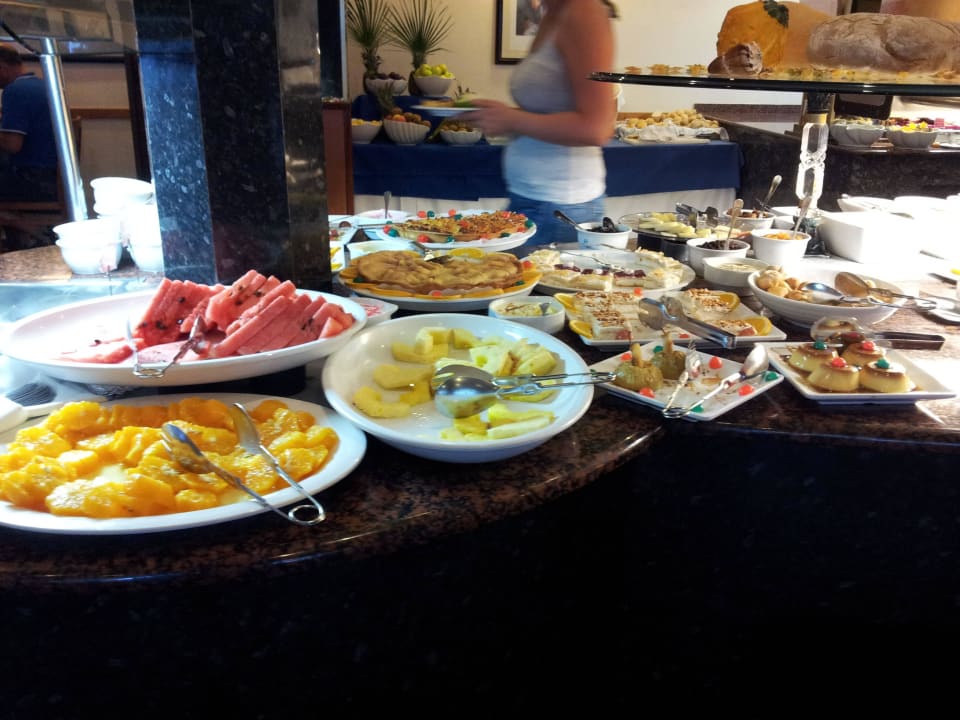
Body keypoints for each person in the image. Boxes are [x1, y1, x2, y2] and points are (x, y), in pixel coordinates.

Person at [465, 0, 618, 247]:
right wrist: (502, 116)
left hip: (558, 206)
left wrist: (511, 119)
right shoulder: (552, 13)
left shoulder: (584, 11)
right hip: (532, 199)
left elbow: (597, 128)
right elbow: (547, 110)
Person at [0, 43, 58, 203]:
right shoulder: (42, 85)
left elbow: (12, 145)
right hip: (52, 177)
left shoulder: (15, 91)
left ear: (2, 68)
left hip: (32, 180)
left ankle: (17, 219)